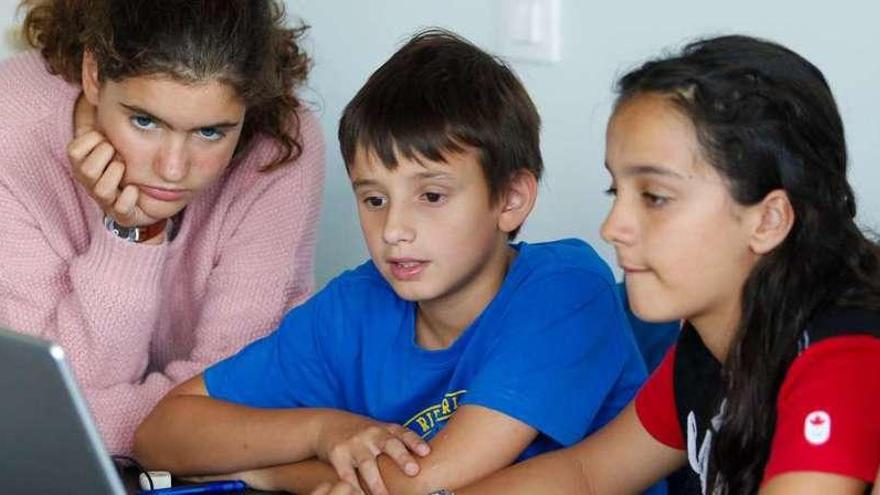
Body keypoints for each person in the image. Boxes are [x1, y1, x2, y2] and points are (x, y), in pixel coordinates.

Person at [134, 29, 648, 495]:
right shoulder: (356, 303)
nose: (394, 230)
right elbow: (161, 436)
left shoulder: (565, 290)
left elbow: (425, 484)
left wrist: (267, 469)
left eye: (431, 196)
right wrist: (323, 431)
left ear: (510, 199)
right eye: (374, 199)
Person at [429, 34, 880, 495]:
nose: (612, 226)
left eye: (655, 197)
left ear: (767, 220)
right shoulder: (710, 345)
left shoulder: (846, 356)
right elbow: (586, 474)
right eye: (616, 193)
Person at [0, 0, 325, 455]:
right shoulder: (10, 124)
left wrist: (69, 422)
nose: (173, 170)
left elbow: (237, 394)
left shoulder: (281, 149)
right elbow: (55, 392)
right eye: (145, 121)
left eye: (211, 132)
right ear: (94, 74)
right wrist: (130, 235)